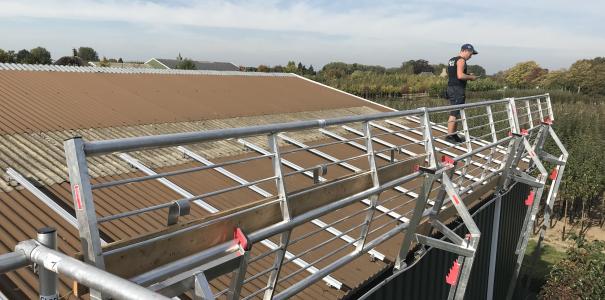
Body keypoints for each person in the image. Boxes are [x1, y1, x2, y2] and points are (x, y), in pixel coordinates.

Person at [446, 44, 479, 143]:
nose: (471, 56)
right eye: (470, 53)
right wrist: (471, 77)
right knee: (454, 112)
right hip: (457, 89)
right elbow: (460, 76)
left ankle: (453, 134)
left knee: (456, 111)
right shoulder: (461, 60)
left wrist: (468, 74)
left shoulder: (452, 60)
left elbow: (454, 75)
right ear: (465, 50)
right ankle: (449, 136)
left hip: (451, 87)